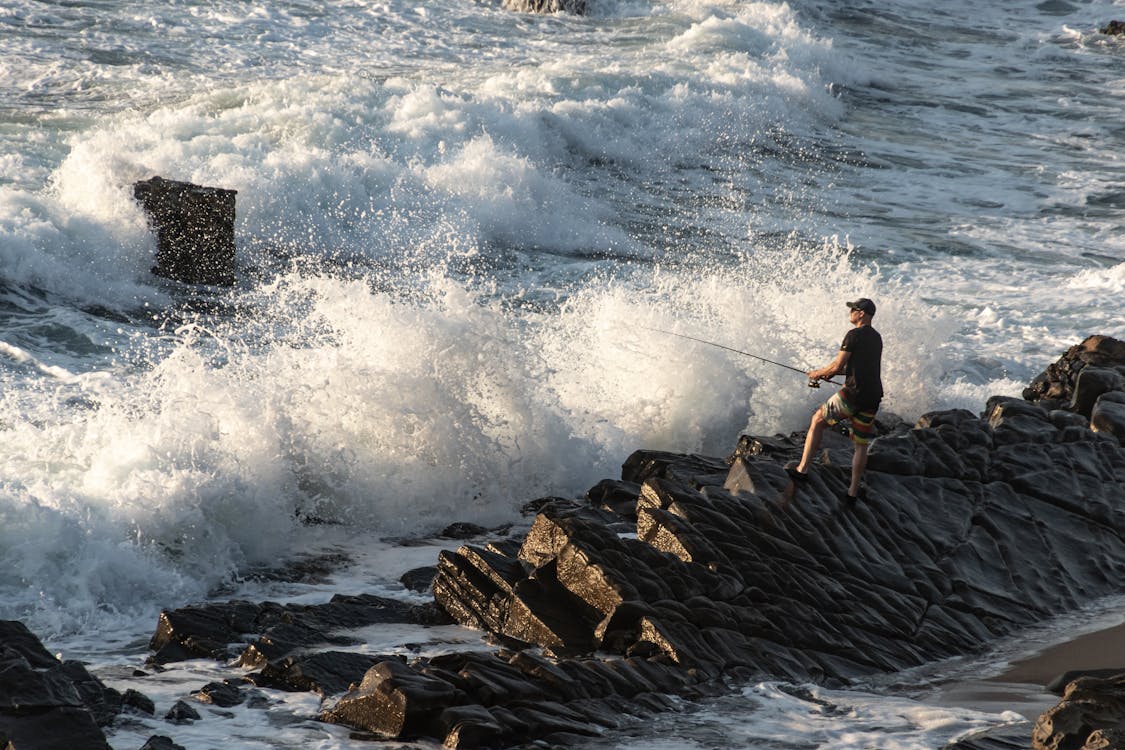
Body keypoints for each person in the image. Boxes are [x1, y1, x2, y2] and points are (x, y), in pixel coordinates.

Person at [786, 298, 883, 503]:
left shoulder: (853, 335)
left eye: (853, 310)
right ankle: (852, 492)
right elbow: (857, 368)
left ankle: (802, 470)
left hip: (853, 395)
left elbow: (838, 366)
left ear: (862, 314)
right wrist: (831, 374)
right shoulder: (877, 337)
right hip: (872, 396)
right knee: (861, 444)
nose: (850, 313)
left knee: (817, 421)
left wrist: (817, 373)